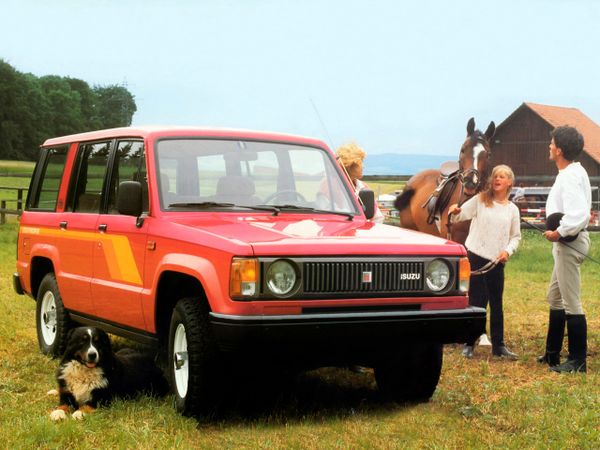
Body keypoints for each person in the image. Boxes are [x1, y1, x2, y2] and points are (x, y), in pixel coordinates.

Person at [448, 164, 521, 360]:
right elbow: (460, 214)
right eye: (496, 175)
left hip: (497, 260)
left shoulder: (513, 210)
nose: (498, 179)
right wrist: (454, 210)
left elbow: (516, 237)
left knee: (496, 304)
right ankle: (468, 343)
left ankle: (499, 346)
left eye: (503, 176)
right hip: (476, 256)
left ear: (509, 183)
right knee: (476, 302)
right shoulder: (480, 200)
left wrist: (508, 251)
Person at [539, 125, 591, 373]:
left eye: (551, 143)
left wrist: (559, 232)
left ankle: (578, 360)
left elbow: (579, 213)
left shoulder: (570, 176)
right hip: (566, 244)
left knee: (571, 301)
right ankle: (552, 353)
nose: (549, 146)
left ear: (559, 149)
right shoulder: (572, 172)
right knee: (555, 297)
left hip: (568, 244)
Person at [335, 142, 384, 223]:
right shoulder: (329, 187)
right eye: (361, 162)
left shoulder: (363, 187)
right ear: (352, 165)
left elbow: (378, 217)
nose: (363, 166)